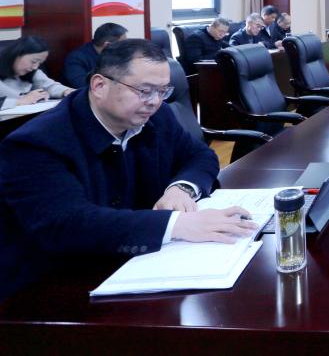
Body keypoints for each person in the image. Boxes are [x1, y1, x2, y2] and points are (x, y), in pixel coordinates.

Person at [0, 39, 257, 301]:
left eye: (163, 91)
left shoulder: (157, 116)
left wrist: (181, 189)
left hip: (137, 266)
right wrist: (177, 225)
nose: (155, 102)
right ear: (99, 86)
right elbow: (68, 224)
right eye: (144, 91)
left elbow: (201, 156)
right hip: (53, 287)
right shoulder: (35, 144)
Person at [0, 36, 73, 111]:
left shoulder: (32, 72)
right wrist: (20, 101)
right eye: (34, 61)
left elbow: (50, 86)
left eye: (40, 63)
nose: (35, 67)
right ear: (16, 54)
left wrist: (66, 91)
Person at [62, 23, 129, 88]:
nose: (126, 46)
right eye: (123, 43)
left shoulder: (118, 54)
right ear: (108, 45)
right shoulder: (76, 58)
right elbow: (82, 85)